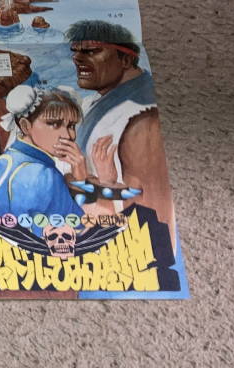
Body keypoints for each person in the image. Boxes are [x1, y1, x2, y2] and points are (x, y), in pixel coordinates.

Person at [65, 20, 174, 226]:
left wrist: (102, 182)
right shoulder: (98, 101)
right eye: (75, 51)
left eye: (91, 51)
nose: (76, 58)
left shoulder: (142, 118)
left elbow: (152, 213)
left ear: (125, 59)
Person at [0, 85, 117, 232]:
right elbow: (79, 229)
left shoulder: (5, 160)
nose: (68, 136)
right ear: (25, 126)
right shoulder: (45, 175)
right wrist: (103, 182)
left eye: (71, 126)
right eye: (55, 124)